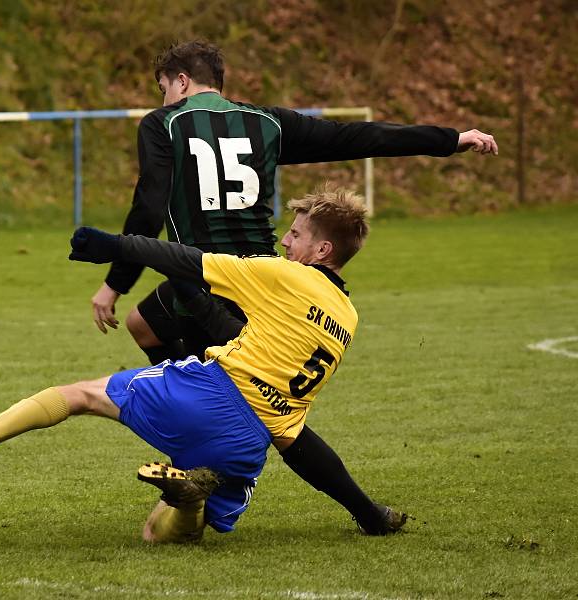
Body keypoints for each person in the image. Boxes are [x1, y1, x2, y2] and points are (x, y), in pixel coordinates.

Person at [85, 39, 498, 533]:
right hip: (263, 278)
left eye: (163, 88)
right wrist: (448, 139)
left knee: (277, 423)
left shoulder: (163, 123)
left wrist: (114, 281)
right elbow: (356, 137)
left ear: (179, 81)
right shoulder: (267, 123)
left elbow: (150, 205)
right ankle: (197, 441)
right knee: (145, 324)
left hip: (209, 283)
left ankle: (349, 508)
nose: (165, 98)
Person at [0, 186, 405, 543]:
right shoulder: (347, 317)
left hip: (212, 391)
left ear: (322, 249)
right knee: (158, 531)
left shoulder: (283, 276)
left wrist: (115, 247)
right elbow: (294, 430)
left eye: (295, 235)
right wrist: (364, 510)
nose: (284, 243)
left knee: (80, 395)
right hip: (252, 440)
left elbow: (188, 260)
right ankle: (189, 501)